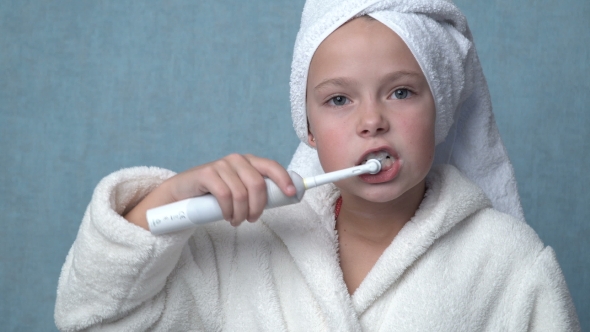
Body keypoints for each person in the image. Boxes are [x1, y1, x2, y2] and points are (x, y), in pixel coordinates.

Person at [55, 0, 580, 331]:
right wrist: (167, 200)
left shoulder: (510, 265)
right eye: (338, 100)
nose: (372, 120)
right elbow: (92, 317)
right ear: (306, 127)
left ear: (440, 108)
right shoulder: (241, 241)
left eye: (401, 92)